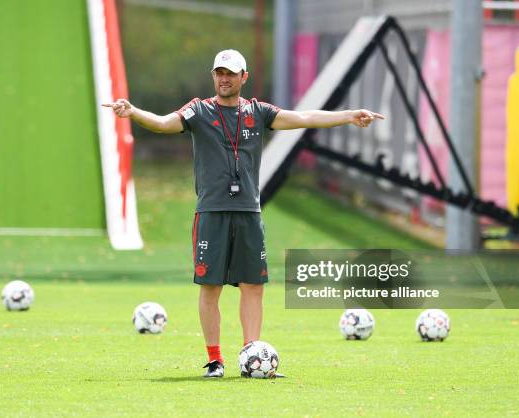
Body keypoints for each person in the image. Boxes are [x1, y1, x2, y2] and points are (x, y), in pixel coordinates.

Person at [103, 49, 384, 378]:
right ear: (213, 76)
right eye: (219, 72)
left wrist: (349, 115)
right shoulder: (199, 111)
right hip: (212, 211)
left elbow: (305, 118)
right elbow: (165, 124)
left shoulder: (258, 112)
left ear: (243, 78)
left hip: (249, 212)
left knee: (253, 286)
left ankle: (252, 355)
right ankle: (214, 360)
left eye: (231, 73)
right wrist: (133, 112)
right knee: (211, 288)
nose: (224, 78)